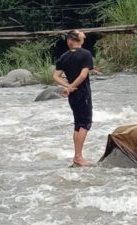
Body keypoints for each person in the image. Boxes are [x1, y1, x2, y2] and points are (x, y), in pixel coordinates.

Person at [53, 29, 94, 166]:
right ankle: (78, 157)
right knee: (85, 125)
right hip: (82, 93)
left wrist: (68, 86)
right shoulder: (86, 54)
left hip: (73, 95)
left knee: (77, 125)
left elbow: (55, 76)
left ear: (69, 41)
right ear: (79, 40)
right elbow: (83, 75)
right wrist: (71, 87)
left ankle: (76, 156)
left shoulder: (63, 57)